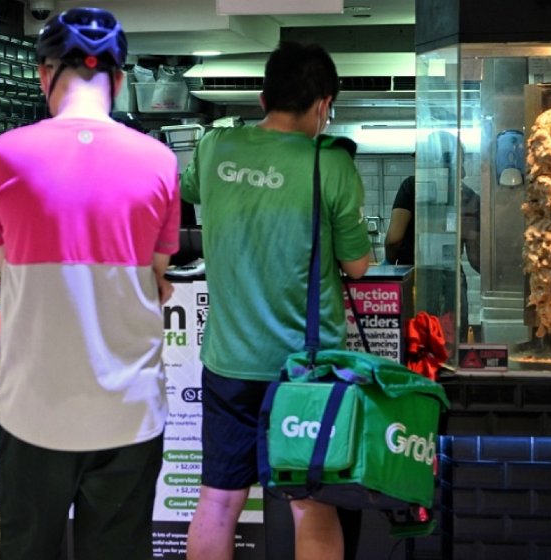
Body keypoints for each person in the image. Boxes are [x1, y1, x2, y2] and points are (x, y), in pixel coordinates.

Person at [0, 7, 180, 559]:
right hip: (129, 413)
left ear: (45, 74)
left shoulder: (5, 155)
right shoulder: (161, 161)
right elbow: (155, 277)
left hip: (33, 411)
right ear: (118, 79)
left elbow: (2, 261)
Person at [181, 41, 373, 560]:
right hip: (304, 370)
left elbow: (188, 190)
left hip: (228, 363)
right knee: (312, 504)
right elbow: (358, 266)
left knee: (218, 501)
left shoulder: (215, 147)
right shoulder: (330, 165)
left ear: (263, 96)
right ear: (324, 104)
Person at [384, 131, 481, 339]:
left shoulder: (411, 187)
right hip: (452, 282)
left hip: (414, 278)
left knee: (415, 347)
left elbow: (394, 238)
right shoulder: (470, 197)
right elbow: (476, 259)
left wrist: (389, 263)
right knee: (451, 349)